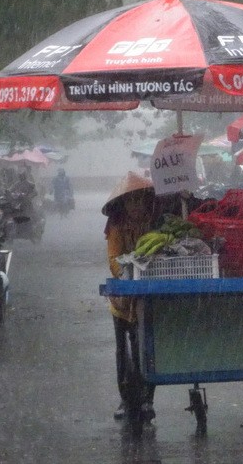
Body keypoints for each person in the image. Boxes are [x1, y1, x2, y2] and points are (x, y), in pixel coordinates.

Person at [102, 172, 158, 422]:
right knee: (124, 351)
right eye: (131, 201)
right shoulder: (116, 226)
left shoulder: (155, 222)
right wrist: (127, 277)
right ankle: (125, 399)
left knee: (147, 348)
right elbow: (113, 258)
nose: (136, 206)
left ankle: (148, 399)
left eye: (140, 200)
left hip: (150, 293)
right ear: (123, 204)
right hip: (124, 300)